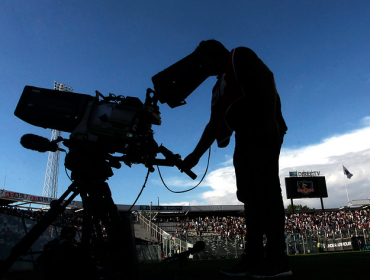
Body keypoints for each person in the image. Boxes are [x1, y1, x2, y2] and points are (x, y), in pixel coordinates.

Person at [182, 40, 291, 278]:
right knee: (250, 197)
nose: (202, 66)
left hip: (262, 127)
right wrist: (195, 155)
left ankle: (277, 258)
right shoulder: (219, 84)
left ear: (213, 54)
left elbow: (267, 77)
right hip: (245, 135)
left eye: (203, 60)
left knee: (267, 191)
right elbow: (214, 124)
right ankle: (253, 257)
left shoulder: (239, 55)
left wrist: (270, 119)